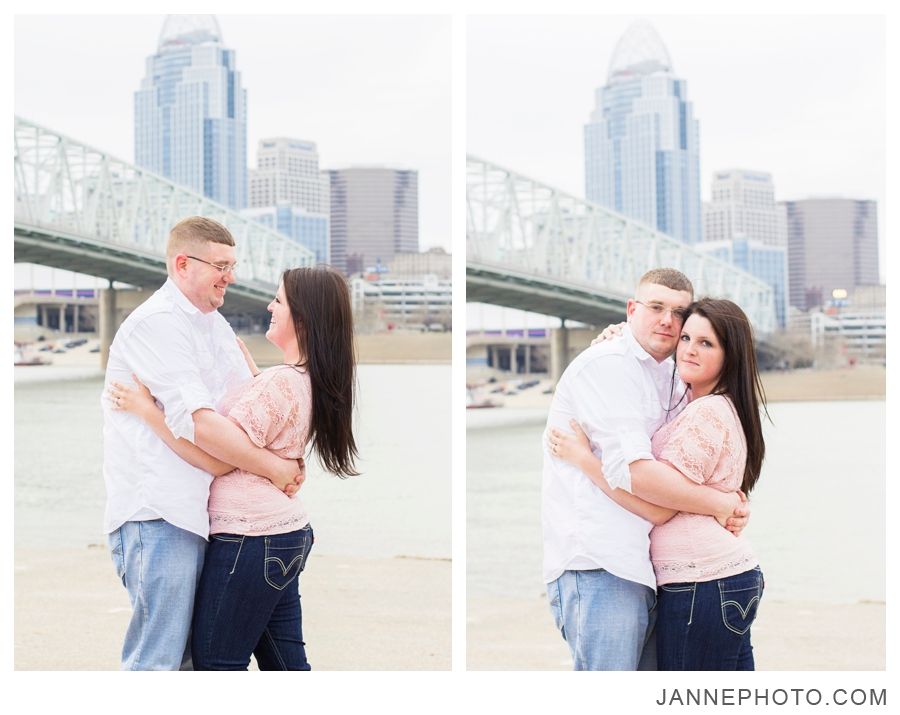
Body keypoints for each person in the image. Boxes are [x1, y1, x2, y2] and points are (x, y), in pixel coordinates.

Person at [108, 266, 358, 670]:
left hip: (250, 539)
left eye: (279, 300)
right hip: (283, 534)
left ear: (303, 317)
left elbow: (220, 460)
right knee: (287, 665)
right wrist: (255, 381)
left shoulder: (279, 383)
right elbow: (272, 423)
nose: (269, 306)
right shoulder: (301, 379)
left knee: (217, 665)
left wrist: (146, 411)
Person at [102, 216, 304, 671]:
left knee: (193, 665)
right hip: (159, 515)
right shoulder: (156, 324)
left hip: (206, 518)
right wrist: (273, 467)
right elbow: (207, 431)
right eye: (220, 265)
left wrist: (283, 453)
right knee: (158, 663)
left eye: (232, 265)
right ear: (182, 264)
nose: (231, 277)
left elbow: (253, 411)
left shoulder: (213, 326)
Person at [541, 268, 749, 671]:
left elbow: (697, 465)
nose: (667, 321)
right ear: (632, 309)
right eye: (656, 307)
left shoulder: (669, 377)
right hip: (599, 564)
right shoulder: (608, 367)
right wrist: (719, 502)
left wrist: (726, 499)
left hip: (646, 570)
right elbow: (647, 485)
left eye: (678, 313)